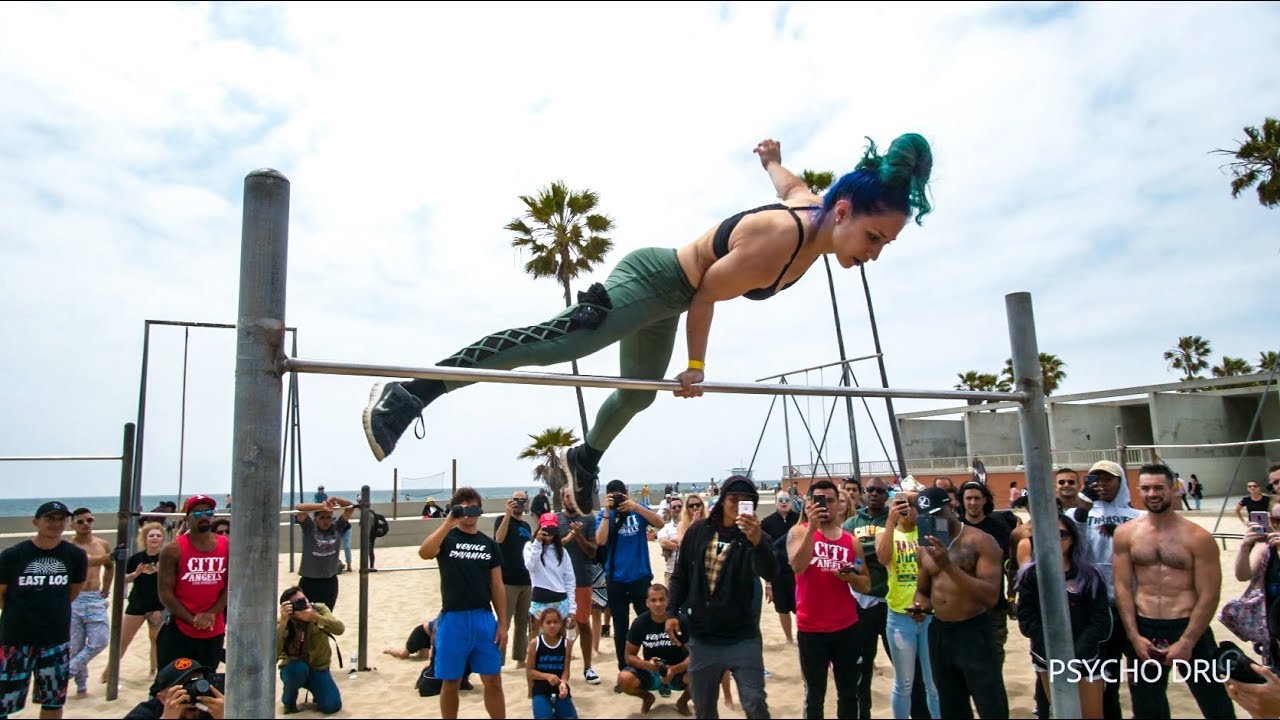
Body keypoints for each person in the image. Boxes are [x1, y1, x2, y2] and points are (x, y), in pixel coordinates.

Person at [360, 133, 936, 513]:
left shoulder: (813, 210)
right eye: (874, 237)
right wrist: (695, 367)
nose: (875, 252)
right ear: (843, 212)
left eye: (885, 242)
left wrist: (769, 158)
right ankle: (410, 393)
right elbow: (706, 294)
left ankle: (581, 460)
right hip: (657, 281)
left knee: (637, 395)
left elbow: (787, 183)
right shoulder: (780, 239)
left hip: (671, 302)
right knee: (560, 344)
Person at [1112, 463, 1236, 719]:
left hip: (1188, 627)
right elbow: (1122, 586)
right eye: (1145, 488)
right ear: (1138, 490)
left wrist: (1188, 640)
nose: (1152, 494)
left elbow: (1209, 593)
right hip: (1145, 628)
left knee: (1215, 702)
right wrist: (1134, 636)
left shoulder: (1197, 537)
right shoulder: (1126, 534)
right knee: (1147, 706)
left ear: (1173, 489)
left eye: (1159, 487)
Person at [668, 474, 778, 719]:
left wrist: (757, 542)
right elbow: (680, 574)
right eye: (733, 498)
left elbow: (771, 571)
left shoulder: (756, 537)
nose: (738, 504)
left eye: (746, 500)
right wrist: (671, 611)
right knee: (704, 708)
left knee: (755, 703)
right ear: (722, 500)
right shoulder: (698, 531)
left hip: (743, 636)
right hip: (703, 636)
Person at [908, 487, 1008, 719]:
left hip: (974, 630)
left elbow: (990, 596)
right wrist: (920, 606)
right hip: (941, 632)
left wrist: (948, 566)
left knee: (990, 702)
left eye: (937, 513)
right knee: (951, 704)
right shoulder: (925, 546)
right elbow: (923, 591)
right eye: (927, 516)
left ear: (952, 506)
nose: (933, 520)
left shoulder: (980, 541)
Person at [418, 487, 506, 720]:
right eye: (463, 506)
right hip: (453, 618)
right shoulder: (447, 539)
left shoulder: (489, 544)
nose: (469, 512)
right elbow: (424, 553)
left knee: (493, 680)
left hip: (483, 618)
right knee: (450, 681)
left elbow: (497, 586)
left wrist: (503, 624)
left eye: (473, 506)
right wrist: (448, 523)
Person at [1014, 513, 1112, 719]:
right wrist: (1051, 649)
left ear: (1072, 538)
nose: (1055, 539)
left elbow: (1101, 620)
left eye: (1061, 534)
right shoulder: (1031, 575)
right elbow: (1027, 618)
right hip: (1048, 657)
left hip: (1087, 658)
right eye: (1048, 533)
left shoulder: (1090, 576)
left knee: (1091, 715)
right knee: (1062, 714)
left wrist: (1077, 653)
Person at [787, 480, 869, 719]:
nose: (826, 505)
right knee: (814, 695)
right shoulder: (799, 532)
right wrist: (812, 528)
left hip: (846, 627)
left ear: (839, 505)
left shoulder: (850, 541)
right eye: (819, 500)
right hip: (811, 628)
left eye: (831, 500)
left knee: (849, 693)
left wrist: (851, 577)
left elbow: (865, 580)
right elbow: (798, 566)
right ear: (810, 503)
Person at [0, 501, 88, 720]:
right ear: (36, 522)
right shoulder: (13, 555)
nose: (56, 523)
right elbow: (1, 594)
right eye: (50, 518)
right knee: (4, 701)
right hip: (15, 640)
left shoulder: (75, 556)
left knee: (53, 700)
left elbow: (72, 592)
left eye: (61, 519)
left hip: (55, 640)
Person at [1076, 459, 1143, 720]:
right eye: (1096, 479)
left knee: (1141, 678)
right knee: (1104, 681)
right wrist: (1082, 508)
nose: (1101, 484)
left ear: (1120, 481)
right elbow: (1073, 547)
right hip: (1096, 608)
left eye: (1108, 479)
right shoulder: (1080, 515)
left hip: (1131, 606)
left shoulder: (1138, 517)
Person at [877, 490, 941, 719]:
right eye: (902, 504)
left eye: (913, 504)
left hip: (929, 614)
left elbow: (939, 566)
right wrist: (890, 521)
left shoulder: (926, 530)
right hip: (899, 615)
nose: (908, 509)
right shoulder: (887, 533)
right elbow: (883, 558)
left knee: (933, 683)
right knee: (903, 683)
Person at [595, 480, 664, 672]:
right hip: (616, 579)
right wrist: (608, 511)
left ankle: (655, 669)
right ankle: (624, 668)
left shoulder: (638, 510)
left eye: (620, 495)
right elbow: (600, 541)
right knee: (621, 627)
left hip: (640, 577)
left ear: (626, 493)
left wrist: (635, 506)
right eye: (613, 495)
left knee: (650, 625)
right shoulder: (604, 515)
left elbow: (660, 523)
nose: (618, 499)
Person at [157, 496, 228, 672]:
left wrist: (212, 613)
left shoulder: (227, 546)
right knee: (171, 684)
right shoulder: (172, 550)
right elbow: (165, 593)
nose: (204, 516)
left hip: (214, 627)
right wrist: (192, 619)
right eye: (197, 512)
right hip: (181, 628)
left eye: (208, 512)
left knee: (205, 679)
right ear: (187, 517)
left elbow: (231, 586)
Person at [842, 475, 891, 719]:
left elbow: (888, 553)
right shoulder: (852, 522)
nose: (873, 494)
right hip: (862, 602)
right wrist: (869, 552)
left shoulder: (894, 518)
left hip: (891, 602)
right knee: (862, 668)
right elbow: (853, 555)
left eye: (879, 491)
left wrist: (865, 550)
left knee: (906, 668)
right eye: (869, 490)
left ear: (886, 495)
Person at [957, 481, 1014, 669]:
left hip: (994, 605)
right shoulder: (953, 528)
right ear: (962, 501)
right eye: (968, 498)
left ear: (985, 501)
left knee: (994, 658)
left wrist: (1012, 598)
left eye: (977, 498)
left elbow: (1010, 567)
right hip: (962, 606)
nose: (973, 502)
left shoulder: (999, 528)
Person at [104, 522, 166, 683]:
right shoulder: (136, 558)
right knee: (122, 639)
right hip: (137, 603)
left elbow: (174, 581)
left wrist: (161, 571)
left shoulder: (166, 558)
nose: (155, 538)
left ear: (162, 539)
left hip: (159, 605)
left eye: (158, 536)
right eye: (151, 535)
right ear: (144, 538)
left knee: (156, 640)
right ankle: (109, 671)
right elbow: (122, 579)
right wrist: (135, 574)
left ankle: (154, 671)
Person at [618, 584, 691, 716]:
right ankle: (647, 698)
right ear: (647, 603)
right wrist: (647, 664)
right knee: (624, 679)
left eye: (662, 599)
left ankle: (682, 702)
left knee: (703, 675)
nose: (658, 604)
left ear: (668, 601)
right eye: (653, 600)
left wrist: (674, 669)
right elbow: (629, 656)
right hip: (651, 671)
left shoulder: (681, 620)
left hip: (677, 670)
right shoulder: (640, 623)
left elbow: (696, 655)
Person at [556, 488, 601, 686]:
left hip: (582, 580)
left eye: (573, 497)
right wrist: (567, 537)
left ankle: (587, 667)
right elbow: (549, 548)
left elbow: (592, 552)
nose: (570, 500)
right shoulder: (554, 520)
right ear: (562, 498)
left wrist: (578, 535)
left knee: (583, 623)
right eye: (567, 496)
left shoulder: (589, 520)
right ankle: (559, 668)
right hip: (558, 582)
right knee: (557, 626)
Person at [67, 507, 113, 698]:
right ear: (73, 524)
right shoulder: (70, 547)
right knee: (76, 645)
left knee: (100, 640)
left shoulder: (102, 543)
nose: (85, 524)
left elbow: (109, 567)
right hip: (75, 599)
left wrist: (106, 589)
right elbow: (89, 562)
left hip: (95, 597)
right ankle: (81, 688)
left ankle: (68, 670)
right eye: (80, 521)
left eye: (89, 520)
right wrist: (110, 557)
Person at [277, 586, 344, 714]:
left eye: (304, 599)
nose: (304, 604)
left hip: (318, 667)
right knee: (297, 670)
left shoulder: (319, 609)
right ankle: (289, 702)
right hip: (295, 667)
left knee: (332, 706)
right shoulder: (285, 620)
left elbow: (340, 629)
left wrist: (315, 618)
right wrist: (284, 622)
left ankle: (316, 689)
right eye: (297, 603)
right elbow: (273, 654)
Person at [495, 491, 533, 668]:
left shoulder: (526, 525)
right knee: (504, 623)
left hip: (526, 580)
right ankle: (498, 660)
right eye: (516, 500)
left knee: (522, 622)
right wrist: (507, 515)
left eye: (522, 500)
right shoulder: (502, 520)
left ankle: (520, 660)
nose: (519, 503)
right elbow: (499, 539)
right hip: (508, 581)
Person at [526, 514, 579, 633]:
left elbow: (569, 581)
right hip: (540, 601)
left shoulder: (562, 552)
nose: (549, 532)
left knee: (560, 642)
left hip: (561, 601)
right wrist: (538, 543)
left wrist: (572, 609)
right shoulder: (530, 547)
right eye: (546, 528)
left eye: (552, 528)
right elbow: (530, 566)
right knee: (537, 642)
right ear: (540, 527)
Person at [123, 657, 225, 720]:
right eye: (183, 687)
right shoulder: (148, 711)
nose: (191, 694)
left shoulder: (214, 705)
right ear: (162, 698)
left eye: (197, 682)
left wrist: (227, 716)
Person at [760, 490, 799, 645]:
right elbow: (764, 553)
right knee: (782, 608)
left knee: (800, 608)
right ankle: (789, 638)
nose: (784, 502)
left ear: (791, 501)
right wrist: (768, 584)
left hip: (797, 572)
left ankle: (801, 636)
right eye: (781, 500)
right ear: (775, 502)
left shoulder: (798, 519)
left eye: (787, 499)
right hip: (777, 573)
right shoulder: (767, 522)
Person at [527, 606, 578, 720]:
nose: (552, 625)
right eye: (548, 622)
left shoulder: (566, 644)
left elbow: (566, 670)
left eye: (555, 622)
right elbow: (530, 671)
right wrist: (547, 676)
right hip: (541, 688)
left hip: (559, 687)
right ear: (542, 625)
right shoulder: (535, 643)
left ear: (561, 624)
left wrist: (564, 683)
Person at [656, 496, 684, 586]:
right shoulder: (666, 528)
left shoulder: (691, 525)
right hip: (671, 572)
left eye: (680, 506)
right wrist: (685, 546)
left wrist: (673, 541)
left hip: (690, 573)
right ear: (670, 510)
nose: (677, 509)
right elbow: (664, 543)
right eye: (674, 507)